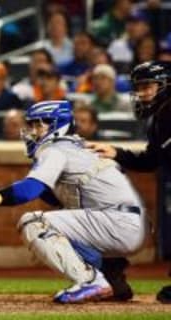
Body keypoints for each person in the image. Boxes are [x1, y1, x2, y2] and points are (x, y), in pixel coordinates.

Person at [0, 100, 146, 303]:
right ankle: (113, 279)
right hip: (127, 222)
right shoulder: (76, 148)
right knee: (63, 217)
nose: (31, 131)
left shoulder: (55, 149)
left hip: (116, 223)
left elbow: (25, 193)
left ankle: (91, 281)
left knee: (33, 222)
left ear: (56, 125)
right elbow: (50, 197)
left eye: (37, 125)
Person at [87, 61, 171, 303]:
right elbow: (151, 160)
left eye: (148, 86)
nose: (143, 93)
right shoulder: (160, 116)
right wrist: (117, 153)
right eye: (139, 87)